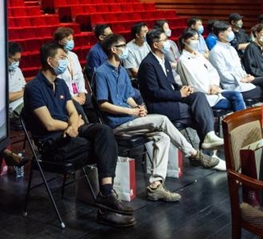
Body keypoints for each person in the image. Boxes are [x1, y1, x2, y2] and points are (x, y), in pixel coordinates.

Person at [94, 33, 221, 201]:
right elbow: (103, 104)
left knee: (162, 137)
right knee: (161, 119)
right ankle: (194, 154)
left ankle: (155, 185)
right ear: (113, 49)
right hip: (117, 124)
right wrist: (130, 112)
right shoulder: (101, 73)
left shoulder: (122, 71)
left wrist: (137, 107)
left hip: (131, 119)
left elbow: (128, 97)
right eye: (123, 46)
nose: (126, 49)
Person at [22, 43, 136, 228]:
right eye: (62, 57)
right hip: (53, 142)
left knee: (104, 131)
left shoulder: (60, 84)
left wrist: (74, 125)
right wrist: (71, 126)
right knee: (100, 147)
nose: (65, 61)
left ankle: (105, 193)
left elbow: (73, 111)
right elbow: (49, 123)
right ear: (50, 61)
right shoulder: (33, 87)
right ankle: (105, 206)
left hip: (71, 130)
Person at [137, 28, 225, 151]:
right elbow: (154, 92)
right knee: (196, 111)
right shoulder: (148, 64)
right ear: (155, 44)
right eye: (165, 40)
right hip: (159, 105)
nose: (168, 42)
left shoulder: (164, 60)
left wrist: (183, 89)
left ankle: (209, 136)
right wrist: (179, 94)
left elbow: (171, 84)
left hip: (172, 99)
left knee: (199, 96)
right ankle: (206, 149)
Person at [208, 21, 263, 132]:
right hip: (233, 86)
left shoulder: (231, 48)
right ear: (221, 35)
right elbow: (222, 75)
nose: (231, 33)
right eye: (229, 31)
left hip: (244, 81)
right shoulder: (216, 52)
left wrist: (245, 75)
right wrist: (242, 79)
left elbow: (239, 68)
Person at [176, 29, 246, 113]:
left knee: (237, 95)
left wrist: (214, 85)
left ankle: (242, 124)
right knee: (235, 103)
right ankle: (241, 124)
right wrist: (208, 90)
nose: (196, 42)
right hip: (204, 94)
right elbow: (193, 81)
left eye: (197, 39)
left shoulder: (199, 55)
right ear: (184, 41)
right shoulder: (183, 60)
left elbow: (212, 71)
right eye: (193, 39)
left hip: (214, 89)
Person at [53, 26, 94, 120]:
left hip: (78, 93)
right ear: (60, 42)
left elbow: (79, 76)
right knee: (77, 108)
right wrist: (72, 97)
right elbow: (58, 83)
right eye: (69, 39)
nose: (72, 42)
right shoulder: (56, 59)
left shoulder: (73, 56)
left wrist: (82, 92)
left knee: (93, 102)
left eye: (72, 39)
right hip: (66, 96)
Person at [7, 41, 26, 119]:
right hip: (14, 108)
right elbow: (7, 97)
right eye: (14, 60)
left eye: (18, 60)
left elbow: (24, 87)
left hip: (24, 101)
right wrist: (24, 92)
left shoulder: (17, 70)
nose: (17, 63)